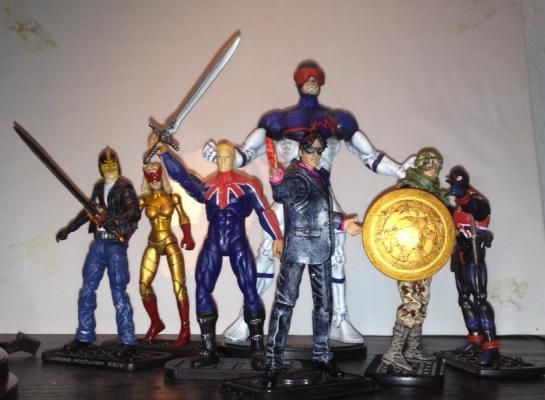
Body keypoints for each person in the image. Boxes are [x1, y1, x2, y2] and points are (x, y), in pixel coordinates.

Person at [202, 60, 413, 344]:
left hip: (321, 196)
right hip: (289, 193)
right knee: (268, 250)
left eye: (316, 76)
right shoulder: (277, 120)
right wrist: (220, 156)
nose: (311, 79)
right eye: (306, 76)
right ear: (298, 81)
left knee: (335, 255)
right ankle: (248, 317)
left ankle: (339, 319)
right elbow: (244, 154)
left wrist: (399, 170)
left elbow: (370, 156)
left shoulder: (338, 120)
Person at [154, 139, 282, 370]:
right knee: (202, 288)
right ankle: (208, 350)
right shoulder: (208, 186)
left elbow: (264, 210)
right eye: (220, 157)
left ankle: (257, 350)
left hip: (237, 242)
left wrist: (277, 237)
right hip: (214, 241)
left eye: (227, 156)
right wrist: (165, 154)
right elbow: (183, 178)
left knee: (250, 289)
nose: (223, 161)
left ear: (233, 158)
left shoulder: (248, 185)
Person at [263, 132, 362, 389]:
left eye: (319, 150)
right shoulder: (295, 176)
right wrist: (276, 180)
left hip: (320, 246)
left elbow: (320, 213)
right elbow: (284, 193)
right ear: (301, 150)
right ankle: (272, 361)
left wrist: (343, 223)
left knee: (325, 305)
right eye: (310, 150)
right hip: (297, 247)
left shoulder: (318, 176)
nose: (315, 155)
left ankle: (322, 355)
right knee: (285, 304)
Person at [56, 147, 141, 357]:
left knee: (118, 292)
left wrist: (114, 220)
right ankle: (84, 336)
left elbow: (134, 213)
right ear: (100, 167)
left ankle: (128, 340)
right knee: (87, 290)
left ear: (118, 164)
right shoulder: (99, 187)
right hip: (98, 244)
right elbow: (89, 212)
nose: (110, 168)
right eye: (106, 164)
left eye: (113, 163)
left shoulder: (124, 188)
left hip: (115, 245)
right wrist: (70, 228)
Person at [381, 149, 449, 371]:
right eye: (429, 165)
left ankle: (412, 349)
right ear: (420, 166)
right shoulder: (407, 190)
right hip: (407, 257)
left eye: (437, 166)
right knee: (412, 304)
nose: (434, 170)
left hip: (426, 256)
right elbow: (393, 221)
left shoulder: (436, 194)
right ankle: (393, 353)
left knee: (422, 301)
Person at [139, 162, 195, 347]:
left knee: (179, 286)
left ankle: (185, 328)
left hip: (170, 241)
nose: (154, 180)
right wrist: (122, 235)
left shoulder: (173, 198)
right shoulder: (144, 200)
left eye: (157, 176)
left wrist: (187, 235)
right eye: (150, 177)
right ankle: (156, 323)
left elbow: (183, 216)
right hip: (153, 242)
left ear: (161, 176)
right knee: (143, 286)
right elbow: (131, 219)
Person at [447, 166, 499, 367]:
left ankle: (491, 347)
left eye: (457, 183)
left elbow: (477, 209)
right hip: (460, 252)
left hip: (474, 253)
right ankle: (475, 339)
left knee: (480, 298)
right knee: (464, 298)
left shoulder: (477, 200)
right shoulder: (458, 207)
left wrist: (463, 197)